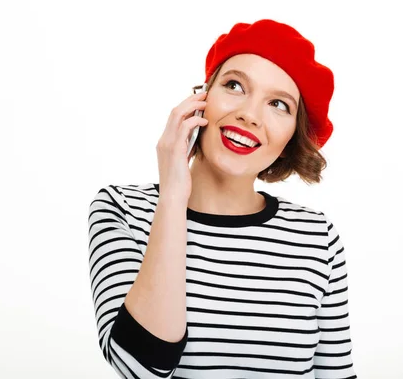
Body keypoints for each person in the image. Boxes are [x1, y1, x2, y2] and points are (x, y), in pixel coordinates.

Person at [87, 19, 356, 379]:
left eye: (278, 104)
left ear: (292, 137)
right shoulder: (122, 210)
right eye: (234, 85)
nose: (249, 114)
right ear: (201, 98)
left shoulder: (316, 236)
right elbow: (141, 368)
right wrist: (172, 198)